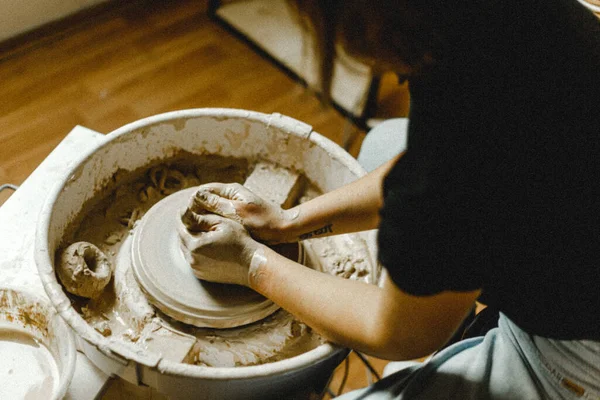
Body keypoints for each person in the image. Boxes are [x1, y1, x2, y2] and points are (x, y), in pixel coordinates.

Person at [178, 0, 600, 398]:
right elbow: (426, 165)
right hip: (567, 228)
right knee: (383, 142)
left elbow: (397, 333)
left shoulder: (463, 132)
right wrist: (289, 221)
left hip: (579, 355)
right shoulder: (489, 23)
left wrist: (250, 265)